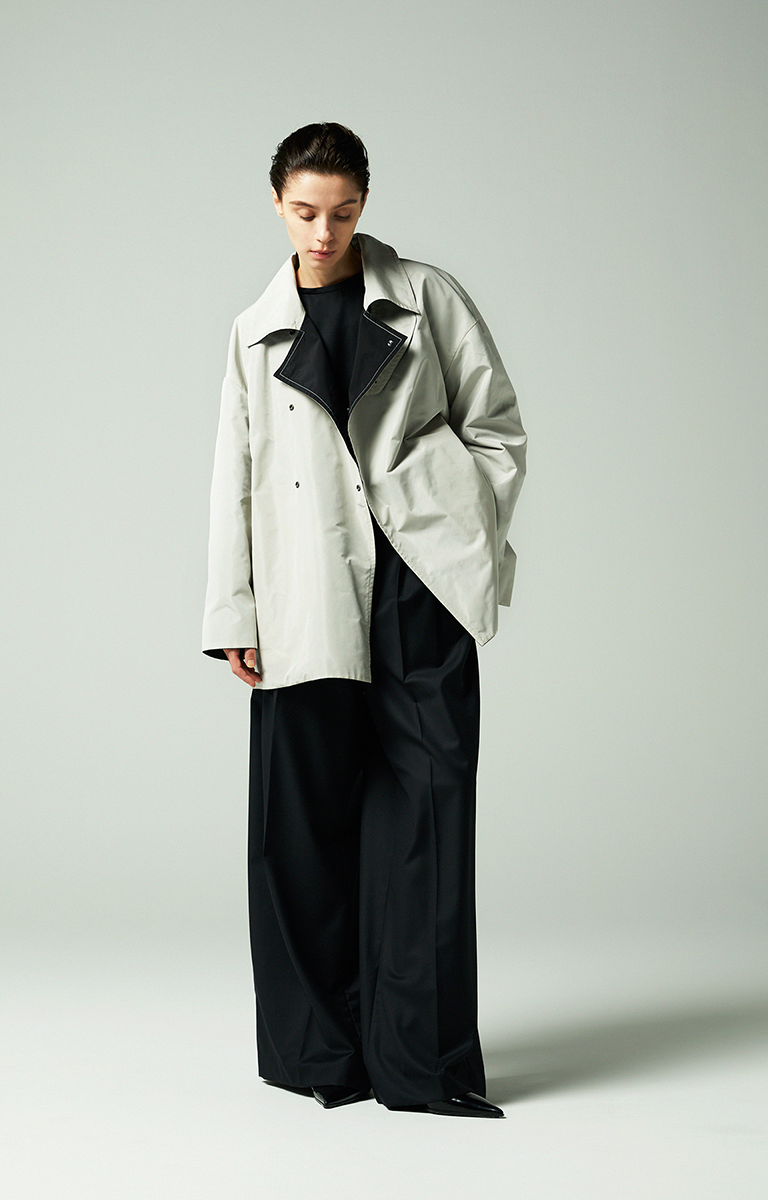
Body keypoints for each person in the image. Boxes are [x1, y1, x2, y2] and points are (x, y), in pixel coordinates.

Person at [203, 123, 526, 1117]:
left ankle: (422, 1065)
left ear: (364, 205)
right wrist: (234, 609)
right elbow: (233, 479)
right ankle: (320, 1057)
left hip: (417, 587)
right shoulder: (254, 329)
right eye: (305, 211)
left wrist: (457, 524)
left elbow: (495, 425)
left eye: (342, 212)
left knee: (427, 815)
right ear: (275, 203)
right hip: (303, 593)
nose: (324, 231)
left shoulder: (426, 297)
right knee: (300, 828)